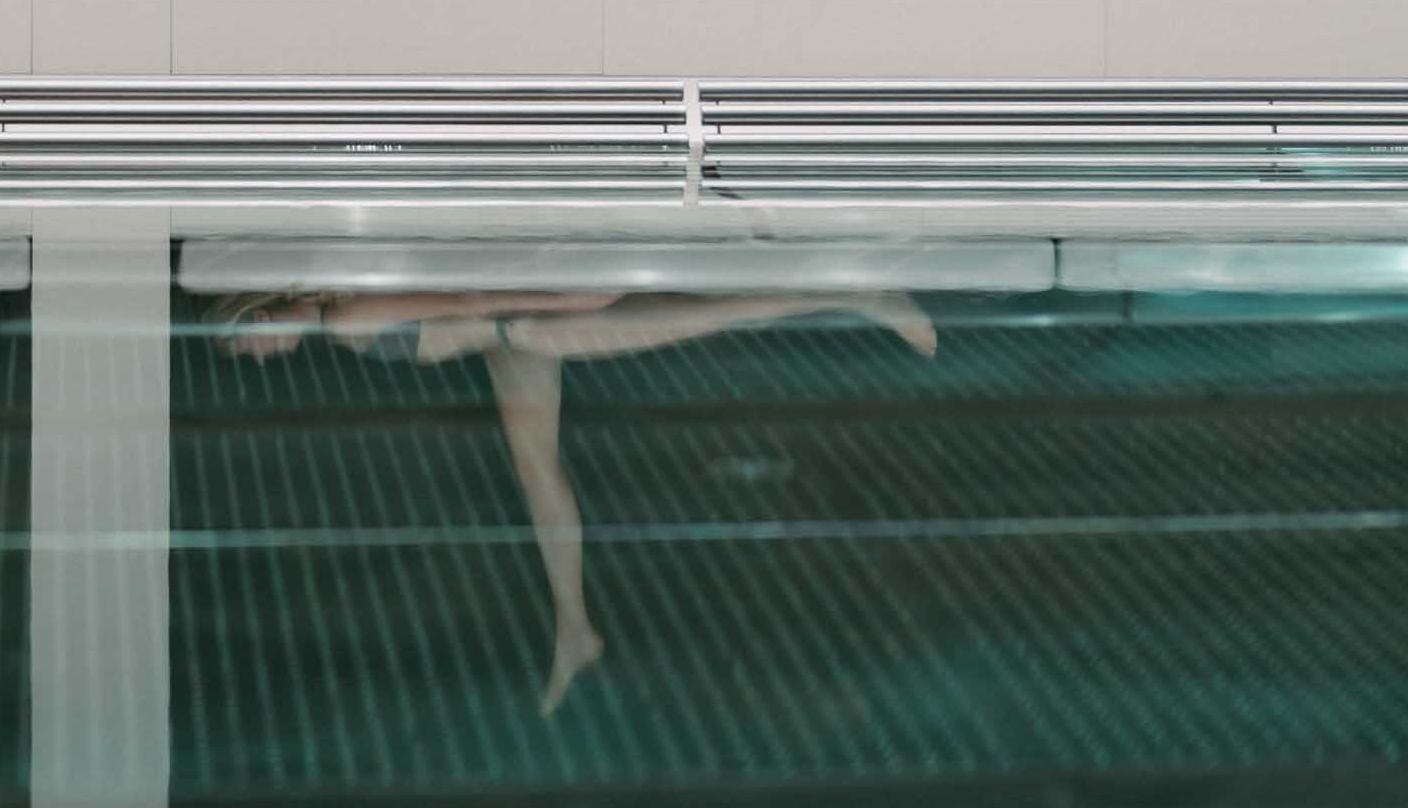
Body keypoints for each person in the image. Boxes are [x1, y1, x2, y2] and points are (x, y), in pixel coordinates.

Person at [219, 288, 936, 715]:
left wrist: (571, 304)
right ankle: (574, 628)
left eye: (244, 339)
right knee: (541, 479)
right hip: (509, 337)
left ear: (260, 309)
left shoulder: (344, 320)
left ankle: (860, 292)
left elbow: (469, 300)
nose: (252, 355)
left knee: (710, 315)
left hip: (528, 326)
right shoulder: (336, 319)